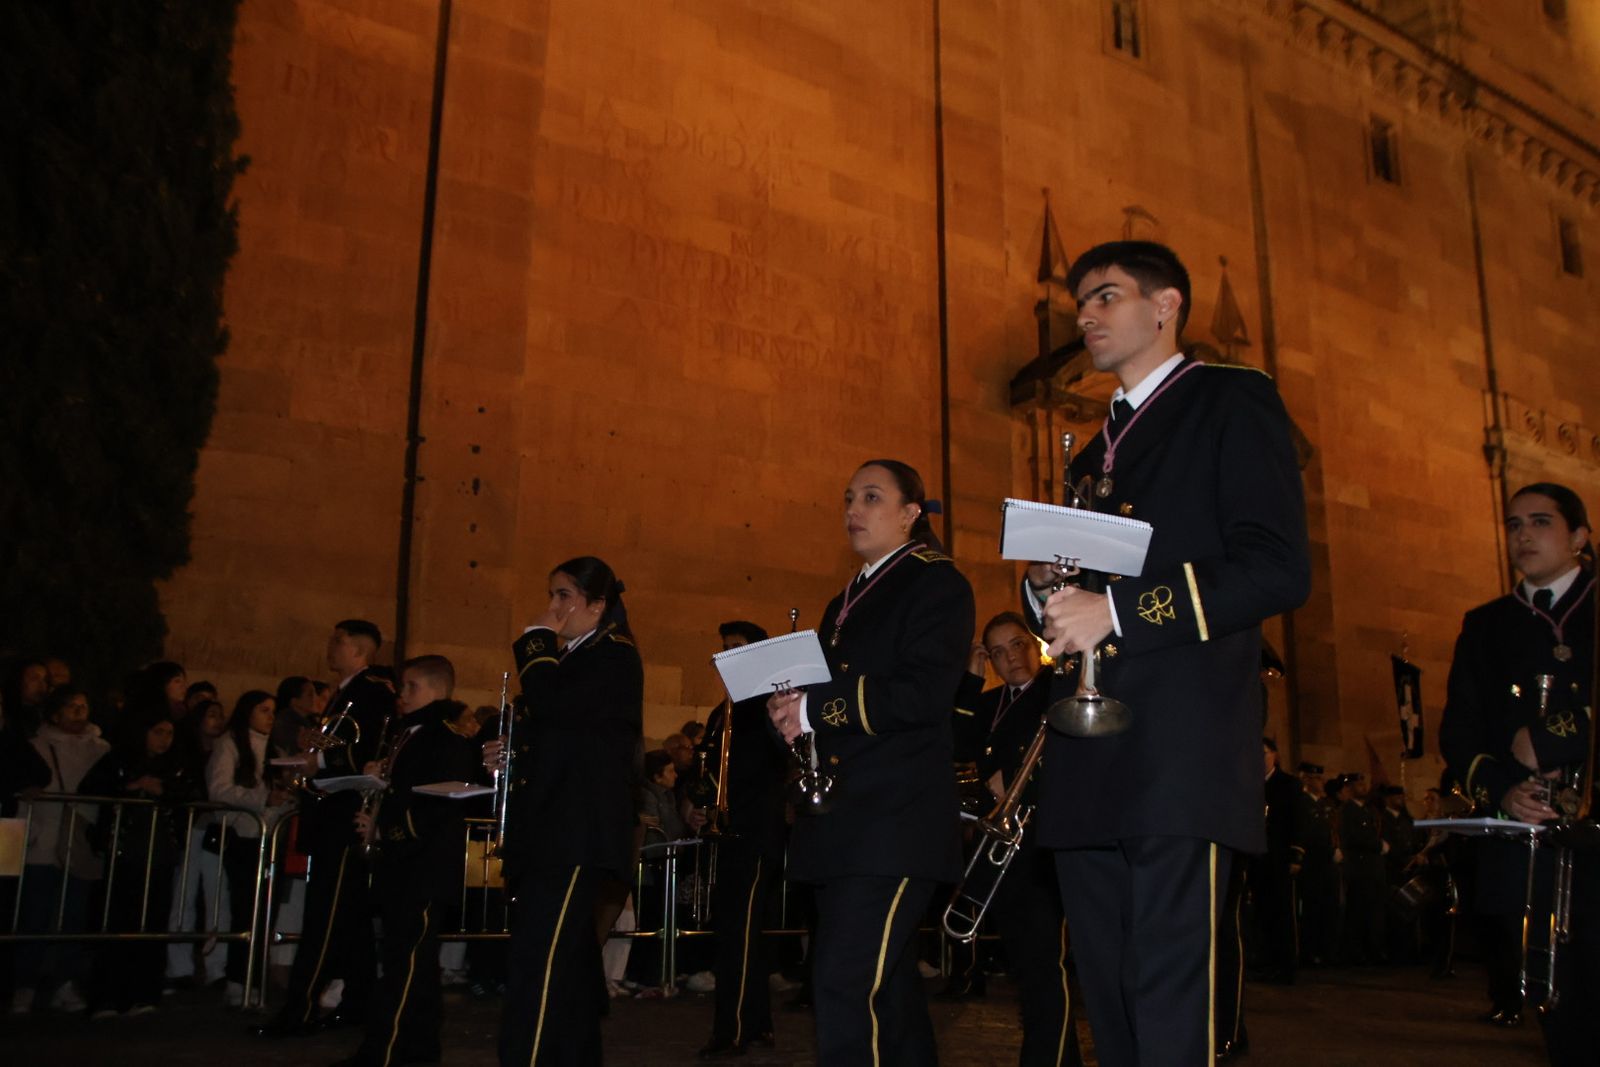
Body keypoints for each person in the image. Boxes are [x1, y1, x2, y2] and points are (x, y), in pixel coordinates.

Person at [1027, 240, 1310, 1066]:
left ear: (1166, 306)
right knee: (1108, 991)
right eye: (1080, 303)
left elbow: (1276, 566)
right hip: (1091, 750)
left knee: (1171, 994)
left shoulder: (1231, 399)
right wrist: (1050, 586)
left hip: (1181, 747)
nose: (1085, 315)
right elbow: (1081, 598)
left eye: (1106, 296)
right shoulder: (1097, 442)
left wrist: (1113, 609)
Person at [768, 458, 975, 1067]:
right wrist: (788, 711)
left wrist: (815, 709)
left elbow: (921, 694)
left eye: (873, 497)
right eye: (849, 497)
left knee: (846, 983)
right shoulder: (845, 600)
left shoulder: (937, 582)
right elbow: (831, 702)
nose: (854, 510)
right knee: (892, 998)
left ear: (912, 513)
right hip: (848, 821)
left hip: (895, 820)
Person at [1438, 482, 1597, 1062]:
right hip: (1532, 846)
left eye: (1540, 522)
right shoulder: (1485, 625)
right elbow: (1460, 732)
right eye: (1512, 525)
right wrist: (1502, 789)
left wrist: (1550, 738)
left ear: (1579, 537)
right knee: (1560, 1014)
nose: (1523, 535)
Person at [492, 556, 642, 1066]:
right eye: (551, 595)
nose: (553, 608)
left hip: (574, 832)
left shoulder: (613, 655)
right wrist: (509, 751)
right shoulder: (578, 657)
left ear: (597, 605)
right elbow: (558, 732)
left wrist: (536, 642)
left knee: (540, 963)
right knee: (569, 965)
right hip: (553, 828)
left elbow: (556, 706)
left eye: (564, 597)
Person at [333, 654, 481, 1067]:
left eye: (412, 686)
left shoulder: (444, 738)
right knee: (410, 964)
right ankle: (417, 1050)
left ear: (435, 689)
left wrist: (385, 829)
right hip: (403, 866)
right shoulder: (409, 733)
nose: (402, 694)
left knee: (405, 967)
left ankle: (386, 1052)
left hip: (423, 869)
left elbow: (436, 808)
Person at [958, 611, 1084, 1066]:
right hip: (1001, 853)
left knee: (1045, 966)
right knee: (1025, 969)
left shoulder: (1058, 687)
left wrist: (1010, 780)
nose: (1011, 657)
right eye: (997, 652)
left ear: (1034, 644)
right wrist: (971, 681)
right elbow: (958, 744)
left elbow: (1073, 753)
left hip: (1042, 845)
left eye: (1017, 645)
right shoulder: (990, 702)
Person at [256, 619, 393, 1036]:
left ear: (358, 649)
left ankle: (298, 1010)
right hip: (332, 816)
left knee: (325, 919)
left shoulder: (368, 692)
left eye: (338, 641)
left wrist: (322, 761)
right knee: (349, 921)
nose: (330, 647)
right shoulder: (347, 693)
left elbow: (367, 751)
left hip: (343, 817)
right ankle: (357, 1004)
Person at [696, 619, 788, 1058]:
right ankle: (756, 1022)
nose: (727, 655)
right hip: (728, 834)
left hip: (755, 831)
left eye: (738, 648)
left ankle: (732, 1029)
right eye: (724, 647)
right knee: (735, 929)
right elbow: (710, 770)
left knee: (742, 932)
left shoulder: (763, 708)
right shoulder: (721, 713)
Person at [80, 709, 199, 1017]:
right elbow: (90, 787)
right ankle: (107, 994)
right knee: (118, 920)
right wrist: (129, 788)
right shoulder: (119, 761)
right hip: (125, 852)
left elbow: (194, 795)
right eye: (158, 732)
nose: (164, 740)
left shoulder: (176, 766)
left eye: (169, 733)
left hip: (160, 854)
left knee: (153, 922)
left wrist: (166, 791)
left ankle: (144, 992)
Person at [13, 686, 110, 1014]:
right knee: (34, 916)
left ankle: (63, 982)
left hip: (79, 842)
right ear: (55, 713)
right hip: (42, 839)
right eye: (71, 706)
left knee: (73, 915)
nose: (79, 712)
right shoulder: (35, 747)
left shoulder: (100, 749)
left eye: (84, 705)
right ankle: (24, 983)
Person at [207, 690, 291, 1007]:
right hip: (242, 836)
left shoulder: (276, 750)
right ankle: (237, 978)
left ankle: (255, 977)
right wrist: (261, 799)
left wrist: (285, 799)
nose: (269, 717)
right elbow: (219, 788)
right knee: (244, 910)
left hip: (270, 838)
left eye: (273, 711)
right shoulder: (229, 744)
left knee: (265, 915)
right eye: (263, 710)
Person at [1251, 738, 1303, 985]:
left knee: (1282, 912)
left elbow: (1297, 821)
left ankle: (1286, 965)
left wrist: (1296, 853)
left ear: (1275, 755)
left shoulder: (1288, 784)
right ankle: (1266, 961)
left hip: (1280, 856)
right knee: (1263, 912)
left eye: (1264, 753)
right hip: (1258, 857)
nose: (1260, 758)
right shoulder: (1252, 784)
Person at [1294, 761, 1339, 966]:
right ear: (1306, 779)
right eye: (1317, 778)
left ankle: (1326, 949)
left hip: (1327, 865)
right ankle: (1310, 952)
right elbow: (1308, 835)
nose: (1321, 783)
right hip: (1312, 864)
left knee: (1327, 908)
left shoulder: (1323, 805)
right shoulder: (1301, 803)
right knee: (1312, 909)